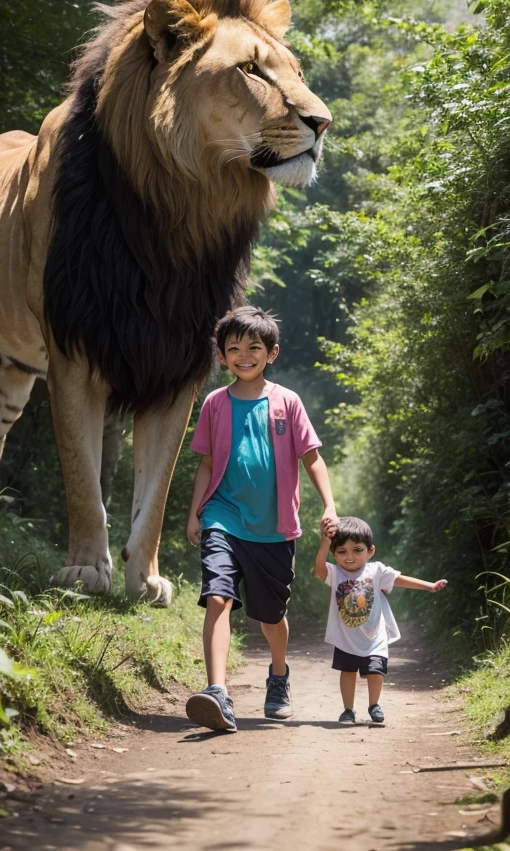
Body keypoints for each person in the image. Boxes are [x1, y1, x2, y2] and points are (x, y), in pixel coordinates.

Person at [185, 306, 337, 733]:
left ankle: (278, 676)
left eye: (254, 347)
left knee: (271, 617)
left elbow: (312, 458)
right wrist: (196, 512)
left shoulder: (287, 401)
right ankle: (217, 691)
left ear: (271, 353)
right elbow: (206, 463)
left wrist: (329, 505)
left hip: (273, 528)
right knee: (218, 597)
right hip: (223, 516)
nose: (243, 355)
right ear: (221, 356)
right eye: (234, 348)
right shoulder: (215, 403)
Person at [313, 515, 448, 724]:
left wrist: (429, 586)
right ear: (334, 553)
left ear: (370, 551)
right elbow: (318, 570)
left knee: (376, 672)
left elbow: (399, 579)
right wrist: (325, 541)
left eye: (357, 550)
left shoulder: (376, 570)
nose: (350, 557)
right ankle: (348, 709)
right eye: (342, 551)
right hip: (346, 638)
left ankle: (374, 705)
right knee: (347, 672)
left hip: (374, 637)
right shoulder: (335, 572)